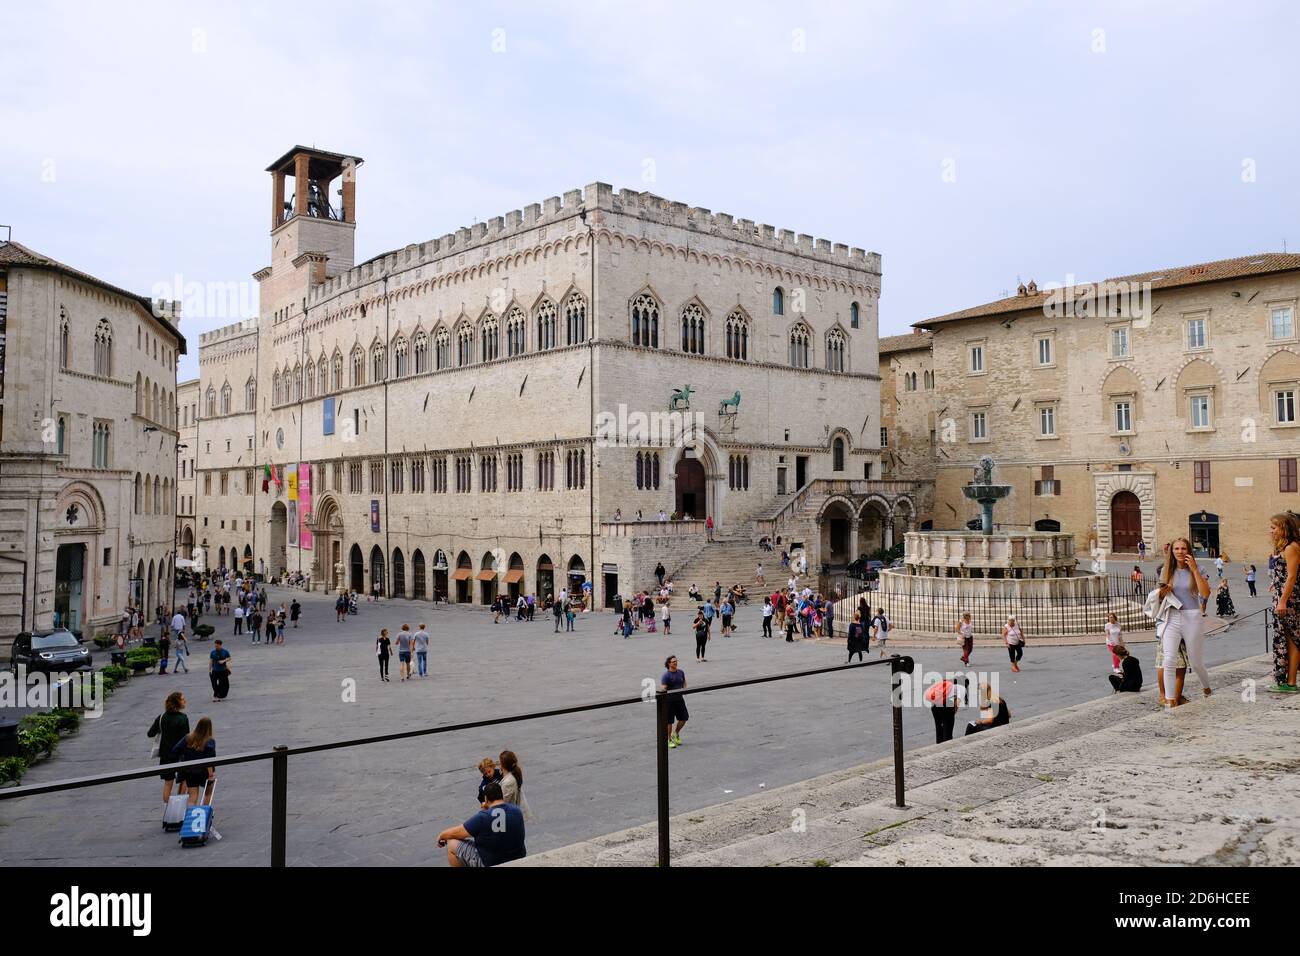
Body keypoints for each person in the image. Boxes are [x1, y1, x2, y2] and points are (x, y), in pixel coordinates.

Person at [1152, 537, 1212, 706]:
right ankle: (1171, 701)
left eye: (1183, 548)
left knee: (1195, 660)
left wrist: (1194, 570)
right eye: (1176, 549)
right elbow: (1160, 596)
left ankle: (1206, 686)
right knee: (1169, 659)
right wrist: (1164, 591)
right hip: (1171, 616)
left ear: (1189, 551)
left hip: (1191, 615)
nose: (1180, 552)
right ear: (1172, 551)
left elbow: (1205, 594)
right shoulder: (1165, 570)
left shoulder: (1199, 568)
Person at [437, 782, 526, 868]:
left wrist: (441, 835)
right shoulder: (517, 811)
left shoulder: (482, 817)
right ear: (501, 795)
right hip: (517, 859)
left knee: (451, 843)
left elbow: (455, 833)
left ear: (486, 799)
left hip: (491, 863)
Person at [1267, 512, 1300, 693]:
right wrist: (1275, 585)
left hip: (1289, 600)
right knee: (1288, 637)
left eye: (1274, 527)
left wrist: (1283, 601)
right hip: (1284, 596)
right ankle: (1288, 680)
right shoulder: (1287, 547)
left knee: (1291, 638)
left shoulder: (1291, 548)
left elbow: (1293, 576)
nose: (1270, 531)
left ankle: (1291, 682)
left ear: (1284, 529)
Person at [147, 691, 190, 804]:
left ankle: (168, 808)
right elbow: (186, 738)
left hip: (166, 755)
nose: (185, 700)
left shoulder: (162, 717)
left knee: (168, 782)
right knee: (184, 779)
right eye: (182, 699)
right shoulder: (182, 718)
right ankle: (180, 806)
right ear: (177, 702)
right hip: (180, 754)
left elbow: (150, 733)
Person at [171, 716, 216, 806]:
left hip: (189, 771)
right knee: (208, 794)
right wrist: (211, 774)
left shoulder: (188, 737)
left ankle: (191, 815)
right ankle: (204, 813)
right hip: (204, 772)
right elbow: (209, 761)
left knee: (192, 796)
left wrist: (184, 757)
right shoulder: (210, 741)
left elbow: (175, 750)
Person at [661, 655, 689, 748]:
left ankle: (675, 733)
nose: (676, 663)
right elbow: (663, 688)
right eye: (673, 662)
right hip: (669, 702)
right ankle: (668, 740)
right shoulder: (666, 675)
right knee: (669, 722)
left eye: (676, 661)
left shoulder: (681, 672)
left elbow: (684, 682)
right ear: (669, 664)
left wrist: (685, 689)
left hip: (679, 699)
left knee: (684, 718)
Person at [925, 677, 964, 744]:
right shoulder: (962, 689)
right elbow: (956, 704)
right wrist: (952, 714)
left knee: (939, 728)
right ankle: (947, 747)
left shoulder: (949, 684)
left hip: (935, 706)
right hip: (946, 707)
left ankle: (938, 747)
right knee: (948, 731)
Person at [498, 750, 533, 821]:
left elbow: (503, 802)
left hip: (509, 816)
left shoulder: (508, 782)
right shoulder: (512, 774)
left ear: (502, 765)